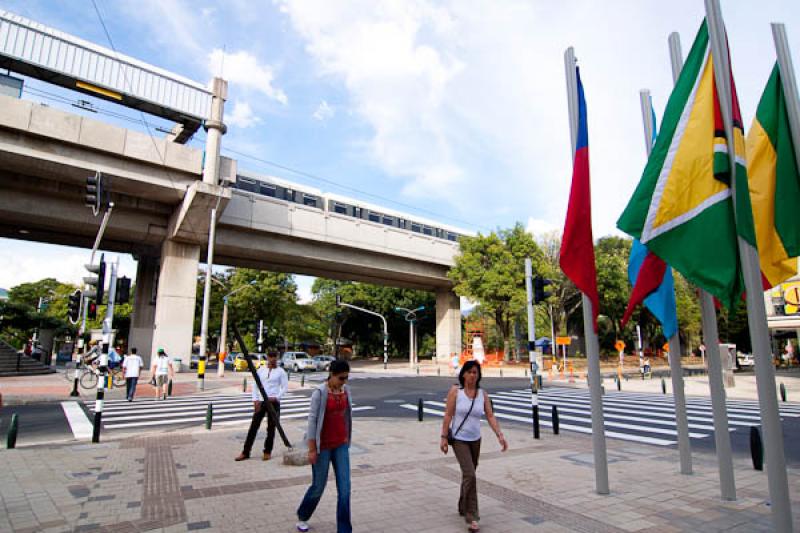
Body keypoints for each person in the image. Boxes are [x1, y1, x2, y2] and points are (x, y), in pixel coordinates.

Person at [439, 361, 507, 532]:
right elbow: (448, 415)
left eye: (475, 372)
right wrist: (443, 437)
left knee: (469, 475)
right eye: (469, 372)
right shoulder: (456, 391)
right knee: (470, 475)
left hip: (475, 439)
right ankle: (472, 516)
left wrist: (500, 435)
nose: (472, 375)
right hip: (459, 439)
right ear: (463, 374)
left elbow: (490, 416)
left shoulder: (482, 394)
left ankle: (463, 504)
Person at [296, 360, 353, 533]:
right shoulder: (320, 393)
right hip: (323, 447)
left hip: (341, 445)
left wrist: (347, 438)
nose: (344, 381)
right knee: (318, 486)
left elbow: (347, 416)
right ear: (332, 375)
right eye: (341, 378)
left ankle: (344, 529)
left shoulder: (346, 391)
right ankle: (303, 514)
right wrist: (312, 449)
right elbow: (312, 422)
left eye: (346, 378)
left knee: (345, 489)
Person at [235, 352, 288, 461]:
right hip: (261, 401)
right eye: (270, 357)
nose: (272, 359)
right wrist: (255, 400)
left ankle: (267, 451)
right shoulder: (261, 370)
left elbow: (284, 387)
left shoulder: (281, 372)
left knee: (271, 428)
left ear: (277, 358)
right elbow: (255, 385)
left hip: (273, 402)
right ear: (267, 357)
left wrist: (277, 397)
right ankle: (245, 452)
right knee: (253, 427)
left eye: (275, 357)